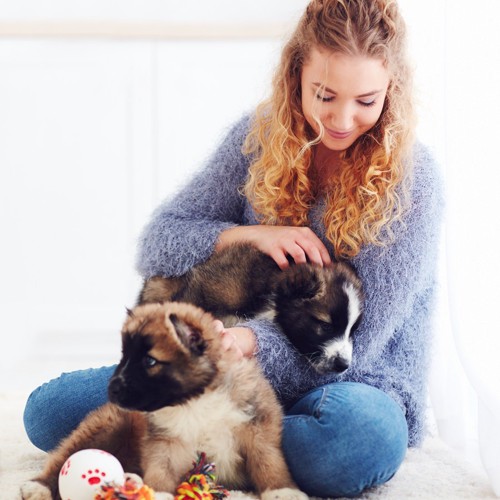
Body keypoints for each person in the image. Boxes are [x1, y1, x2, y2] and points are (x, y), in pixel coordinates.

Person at [23, 0, 443, 497]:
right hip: (219, 376)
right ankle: (233, 442)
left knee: (357, 441)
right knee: (48, 413)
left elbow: (363, 344)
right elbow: (160, 240)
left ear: (392, 90)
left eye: (366, 101)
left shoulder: (412, 181)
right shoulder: (259, 137)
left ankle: (208, 442)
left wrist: (247, 344)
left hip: (346, 383)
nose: (343, 119)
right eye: (325, 95)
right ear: (296, 76)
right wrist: (247, 234)